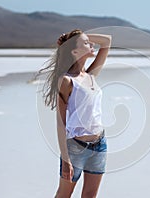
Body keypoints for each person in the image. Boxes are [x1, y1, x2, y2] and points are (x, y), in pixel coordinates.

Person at [35, 29, 111, 198]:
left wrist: (81, 37)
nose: (91, 44)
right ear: (74, 51)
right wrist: (65, 158)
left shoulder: (91, 75)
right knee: (64, 194)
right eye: (85, 43)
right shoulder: (67, 80)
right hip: (75, 147)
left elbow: (107, 41)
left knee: (90, 195)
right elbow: (60, 122)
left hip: (100, 144)